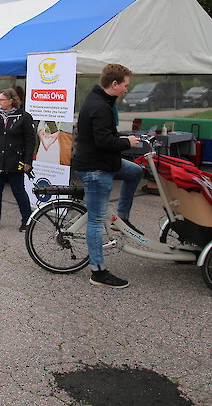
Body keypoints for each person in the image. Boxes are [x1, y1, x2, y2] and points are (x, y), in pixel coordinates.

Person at [72, 64, 142, 289]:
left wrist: (125, 137)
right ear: (114, 84)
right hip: (95, 168)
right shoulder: (99, 106)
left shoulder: (102, 101)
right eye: (125, 85)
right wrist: (126, 142)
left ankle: (122, 217)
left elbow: (104, 135)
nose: (126, 90)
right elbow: (104, 142)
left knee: (136, 171)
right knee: (95, 220)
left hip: (105, 162)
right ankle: (98, 271)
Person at [0, 88, 34, 232]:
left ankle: (27, 220)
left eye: (2, 100)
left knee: (18, 191)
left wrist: (27, 161)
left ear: (11, 101)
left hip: (14, 159)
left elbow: (30, 141)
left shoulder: (23, 117)